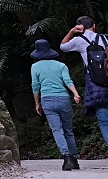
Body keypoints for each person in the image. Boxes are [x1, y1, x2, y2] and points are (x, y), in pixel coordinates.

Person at [61, 16, 108, 173]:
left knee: (104, 123)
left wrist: (71, 32)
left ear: (79, 27)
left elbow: (63, 47)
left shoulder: (79, 41)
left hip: (95, 86)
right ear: (94, 26)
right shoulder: (107, 38)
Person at [30, 39, 82, 171]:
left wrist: (37, 103)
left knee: (57, 130)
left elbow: (35, 86)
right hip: (64, 99)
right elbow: (67, 80)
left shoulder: (35, 67)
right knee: (68, 130)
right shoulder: (61, 65)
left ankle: (66, 156)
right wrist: (75, 93)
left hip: (47, 100)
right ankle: (74, 159)